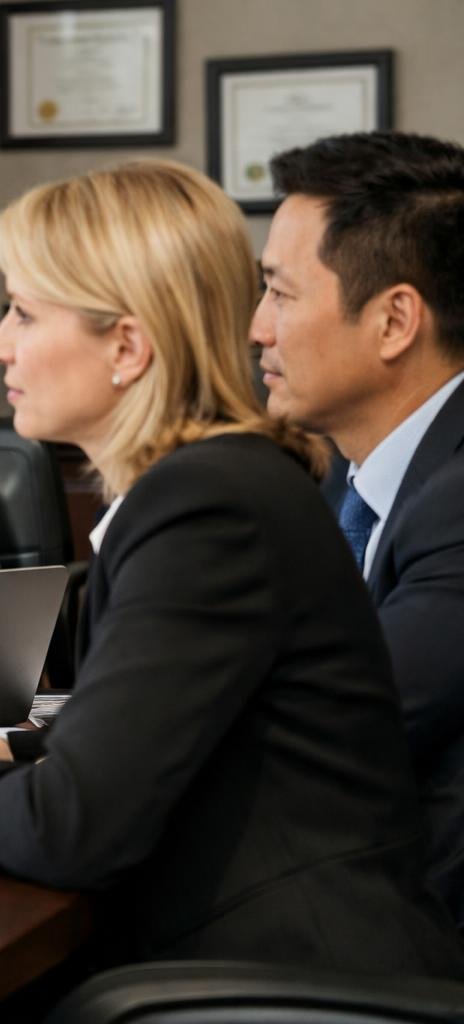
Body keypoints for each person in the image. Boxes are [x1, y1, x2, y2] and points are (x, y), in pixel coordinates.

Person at [0, 159, 464, 974]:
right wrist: (11, 760)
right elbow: (168, 732)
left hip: (288, 977)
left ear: (127, 345)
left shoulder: (205, 508)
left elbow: (74, 829)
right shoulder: (220, 483)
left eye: (23, 313)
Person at [253, 131, 464, 929]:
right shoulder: (348, 471)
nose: (257, 330)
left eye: (280, 293)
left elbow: (329, 733)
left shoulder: (456, 500)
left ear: (393, 321)